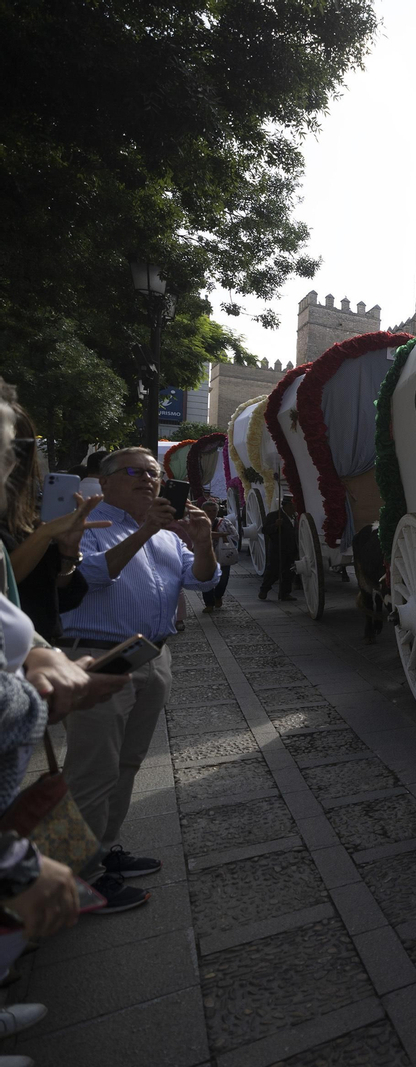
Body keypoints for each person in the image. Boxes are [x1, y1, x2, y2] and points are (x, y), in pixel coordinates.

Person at [0, 382, 129, 1046]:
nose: (23, 459)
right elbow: (12, 586)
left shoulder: (23, 517)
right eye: (18, 447)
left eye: (22, 446)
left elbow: (50, 591)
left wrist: (68, 547)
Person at [59, 447, 218, 910]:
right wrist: (147, 528)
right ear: (105, 482)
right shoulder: (88, 523)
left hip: (152, 655)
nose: (149, 480)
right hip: (98, 656)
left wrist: (204, 542)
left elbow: (202, 581)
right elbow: (91, 576)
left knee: (127, 764)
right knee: (92, 770)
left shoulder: (168, 535)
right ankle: (76, 880)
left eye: (154, 473)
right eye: (135, 473)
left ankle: (102, 852)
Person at [0, 408, 106, 643]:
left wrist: (68, 553)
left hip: (37, 653)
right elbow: (5, 581)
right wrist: (45, 534)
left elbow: (56, 597)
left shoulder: (24, 515)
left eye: (20, 444)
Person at [258, 496, 299, 601]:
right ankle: (264, 589)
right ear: (287, 506)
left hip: (291, 548)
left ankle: (285, 593)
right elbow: (264, 530)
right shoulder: (274, 515)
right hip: (278, 548)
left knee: (289, 572)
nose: (295, 508)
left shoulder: (296, 517)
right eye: (293, 506)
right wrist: (275, 525)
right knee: (273, 571)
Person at [200, 500, 234, 614]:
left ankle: (218, 595)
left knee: (222, 581)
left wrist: (225, 538)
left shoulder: (225, 523)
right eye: (208, 511)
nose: (211, 513)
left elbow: (235, 535)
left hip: (222, 556)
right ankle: (209, 603)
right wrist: (220, 535)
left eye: (214, 510)